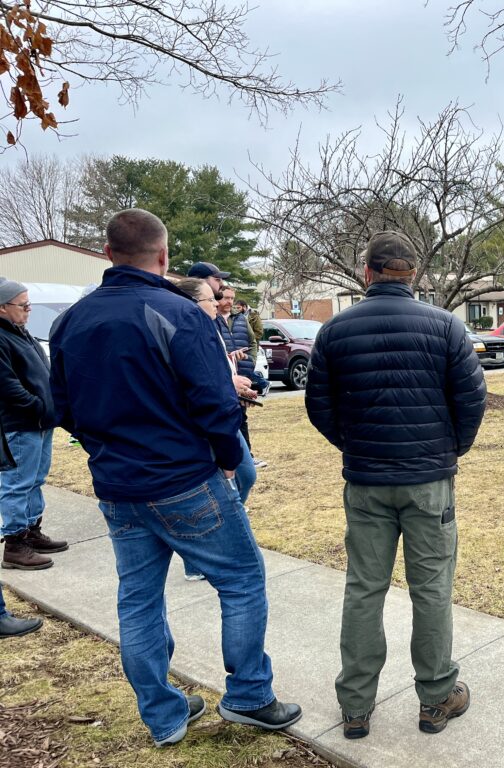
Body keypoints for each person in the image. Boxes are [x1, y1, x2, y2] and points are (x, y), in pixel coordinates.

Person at [48, 208, 301, 747]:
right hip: (184, 480)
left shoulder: (71, 322)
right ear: (163, 257)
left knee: (138, 598)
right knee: (242, 579)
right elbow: (216, 401)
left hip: (118, 486)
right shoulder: (179, 314)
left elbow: (62, 408)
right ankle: (250, 695)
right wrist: (228, 457)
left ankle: (163, 715)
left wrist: (106, 448)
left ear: (108, 253)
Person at [305, 230, 486, 739]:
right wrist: (449, 450)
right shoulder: (445, 326)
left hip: (367, 481)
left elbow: (319, 405)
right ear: (414, 274)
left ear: (367, 272)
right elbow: (472, 399)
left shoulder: (335, 330)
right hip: (428, 481)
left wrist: (354, 445)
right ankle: (436, 697)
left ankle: (356, 706)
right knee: (432, 590)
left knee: (364, 589)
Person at [173, 277, 259, 581]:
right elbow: (196, 381)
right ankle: (199, 559)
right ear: (193, 303)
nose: (218, 303)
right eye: (211, 298)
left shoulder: (214, 326)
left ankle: (218, 538)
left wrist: (235, 386)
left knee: (246, 475)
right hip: (208, 422)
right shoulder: (186, 331)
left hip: (227, 412)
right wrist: (227, 384)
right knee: (221, 484)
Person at [0, 278, 67, 570]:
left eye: (29, 305)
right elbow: (7, 386)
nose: (29, 310)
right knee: (18, 483)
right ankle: (15, 544)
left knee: (35, 479)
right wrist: (37, 406)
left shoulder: (19, 332)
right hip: (21, 423)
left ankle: (30, 530)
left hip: (39, 421)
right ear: (3, 307)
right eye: (23, 305)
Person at [0, 413, 44, 637]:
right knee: (17, 484)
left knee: (31, 480)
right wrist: (32, 405)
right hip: (18, 418)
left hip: (31, 419)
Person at [216, 286, 268, 467]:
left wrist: (250, 361)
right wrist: (228, 361)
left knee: (241, 417)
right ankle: (229, 459)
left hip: (243, 374)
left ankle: (247, 457)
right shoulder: (211, 319)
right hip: (223, 378)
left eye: (232, 298)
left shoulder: (240, 319)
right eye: (226, 298)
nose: (229, 302)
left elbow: (252, 341)